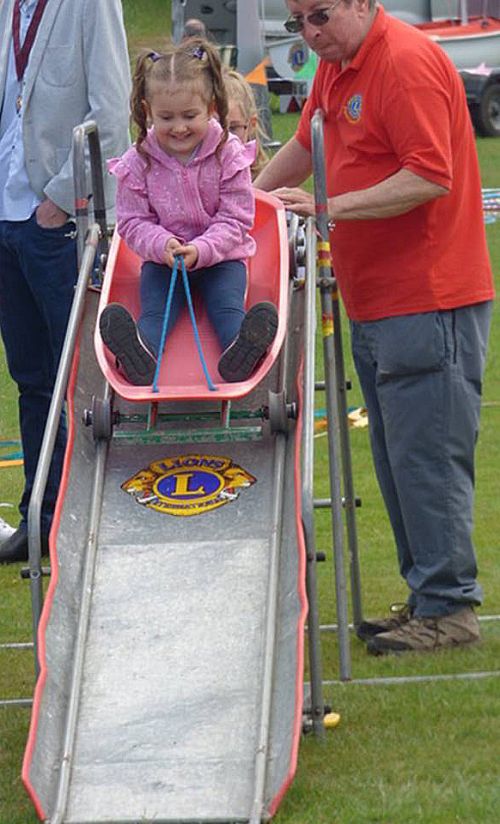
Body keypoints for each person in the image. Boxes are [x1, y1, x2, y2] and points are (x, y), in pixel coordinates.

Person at [255, 0, 495, 654]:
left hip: (430, 297)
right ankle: (431, 598)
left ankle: (449, 608)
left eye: (321, 15)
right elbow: (306, 146)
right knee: (398, 457)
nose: (308, 33)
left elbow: (428, 176)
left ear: (362, 3)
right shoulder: (339, 65)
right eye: (297, 21)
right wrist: (242, 207)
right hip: (379, 300)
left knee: (428, 457)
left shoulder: (405, 62)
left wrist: (327, 207)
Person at [0, 0, 131, 564]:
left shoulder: (92, 5)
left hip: (55, 221)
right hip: (7, 222)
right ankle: (41, 515)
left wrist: (57, 203)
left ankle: (86, 521)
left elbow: (113, 115)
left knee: (73, 379)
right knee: (30, 378)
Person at [99, 39, 278, 387]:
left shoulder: (228, 154)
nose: (179, 127)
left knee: (226, 309)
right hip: (165, 262)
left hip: (222, 259)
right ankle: (139, 355)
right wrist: (163, 244)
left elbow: (237, 217)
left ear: (210, 108)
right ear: (148, 110)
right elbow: (132, 221)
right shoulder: (139, 161)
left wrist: (203, 249)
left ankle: (241, 349)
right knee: (155, 314)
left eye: (189, 116)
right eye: (166, 118)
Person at [224, 68, 269, 179]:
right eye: (213, 129)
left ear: (251, 126)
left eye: (232, 129)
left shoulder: (267, 179)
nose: (223, 139)